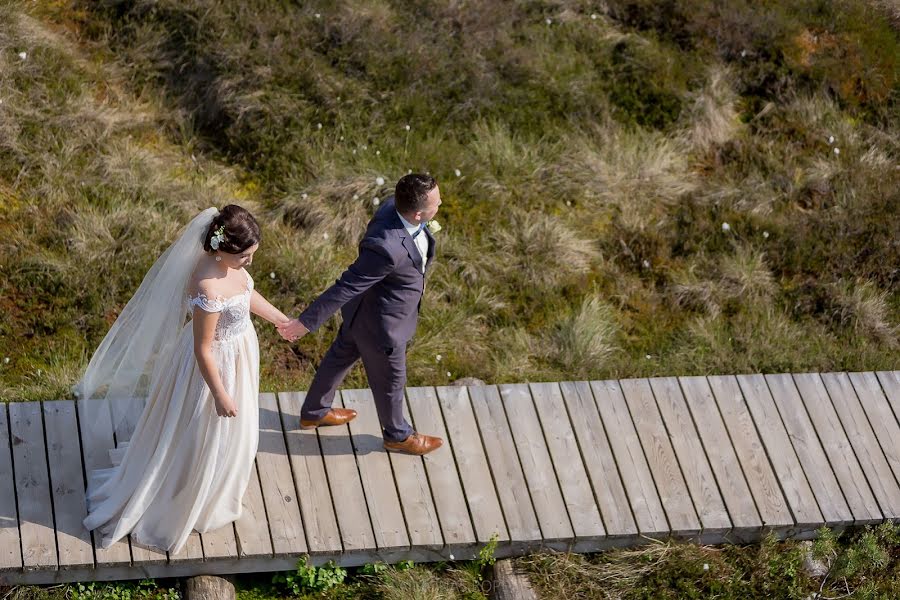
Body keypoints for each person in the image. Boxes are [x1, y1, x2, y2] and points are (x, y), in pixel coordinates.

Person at [79, 205, 290, 554]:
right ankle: (187, 490)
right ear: (220, 249)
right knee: (200, 430)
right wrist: (220, 394)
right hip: (214, 368)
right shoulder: (207, 287)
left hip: (238, 356)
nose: (249, 263)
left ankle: (217, 485)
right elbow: (203, 349)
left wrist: (281, 321)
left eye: (253, 254)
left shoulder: (229, 266)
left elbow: (246, 292)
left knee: (233, 431)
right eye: (244, 256)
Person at [277, 173, 444, 455]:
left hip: (361, 312)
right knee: (392, 381)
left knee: (338, 356)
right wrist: (304, 323)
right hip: (384, 327)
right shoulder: (387, 248)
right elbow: (346, 285)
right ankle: (397, 435)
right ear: (417, 214)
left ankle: (314, 412)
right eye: (436, 204)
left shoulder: (392, 207)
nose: (440, 205)